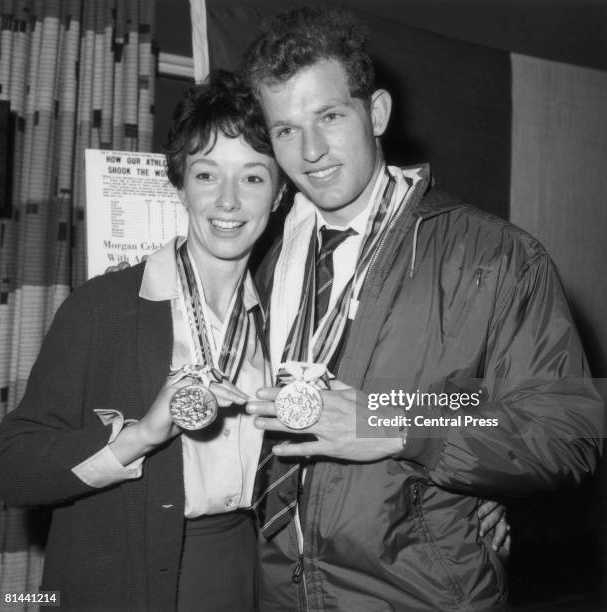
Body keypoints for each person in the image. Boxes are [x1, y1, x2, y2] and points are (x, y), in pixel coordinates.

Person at [243, 7, 604, 611]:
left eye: (329, 116)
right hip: (283, 590)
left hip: (420, 595)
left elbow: (565, 432)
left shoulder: (496, 257)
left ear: (376, 113)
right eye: (285, 129)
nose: (310, 151)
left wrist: (392, 422)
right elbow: (470, 401)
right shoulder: (266, 257)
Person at [0, 70, 282, 611]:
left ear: (280, 190)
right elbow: (14, 470)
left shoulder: (285, 317)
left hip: (247, 574)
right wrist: (139, 437)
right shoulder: (103, 306)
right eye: (206, 174)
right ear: (179, 183)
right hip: (128, 578)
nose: (227, 201)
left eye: (252, 177)